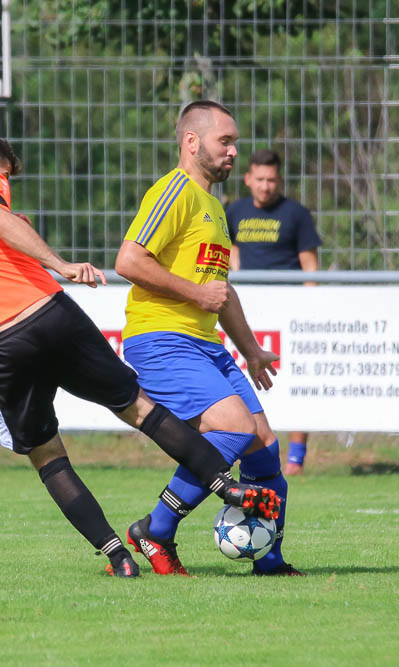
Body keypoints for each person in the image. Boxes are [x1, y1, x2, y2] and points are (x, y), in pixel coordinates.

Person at [0, 130, 279, 579]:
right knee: (139, 408)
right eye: (5, 176)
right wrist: (59, 263)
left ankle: (118, 557)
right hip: (50, 313)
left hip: (2, 342)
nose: (5, 186)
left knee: (47, 456)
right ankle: (225, 486)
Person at [115, 101, 304, 577]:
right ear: (191, 142)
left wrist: (252, 351)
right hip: (160, 338)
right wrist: (196, 293)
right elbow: (129, 261)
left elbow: (221, 291)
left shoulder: (215, 208)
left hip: (205, 344)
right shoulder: (174, 191)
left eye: (235, 142)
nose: (234, 151)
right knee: (235, 427)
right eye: (225, 141)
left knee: (264, 447)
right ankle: (156, 529)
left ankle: (270, 561)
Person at [226, 149, 322, 475]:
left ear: (279, 180)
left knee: (296, 379)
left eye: (271, 180)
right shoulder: (234, 211)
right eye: (259, 179)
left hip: (289, 311)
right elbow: (230, 249)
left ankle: (296, 458)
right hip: (247, 312)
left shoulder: (296, 214)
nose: (265, 186)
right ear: (247, 179)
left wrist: (308, 308)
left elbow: (310, 266)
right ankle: (249, 450)